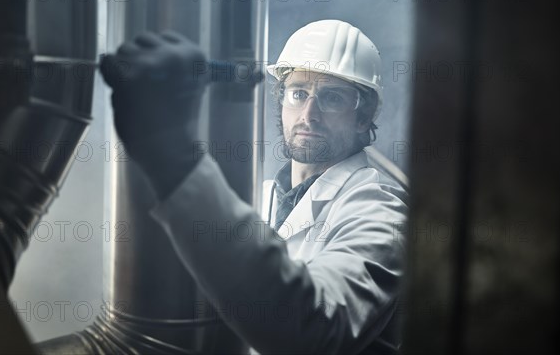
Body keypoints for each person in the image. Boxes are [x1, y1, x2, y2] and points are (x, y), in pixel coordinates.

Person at [100, 19, 408, 354]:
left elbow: (314, 331)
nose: (309, 114)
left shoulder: (382, 211)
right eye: (298, 93)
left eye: (332, 98)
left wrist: (175, 158)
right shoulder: (257, 195)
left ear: (364, 116)